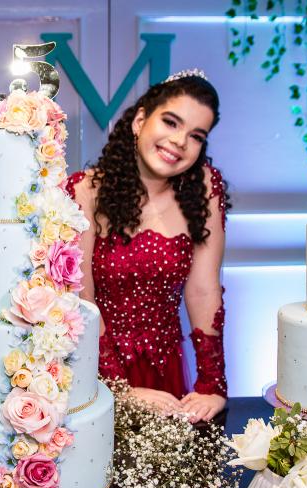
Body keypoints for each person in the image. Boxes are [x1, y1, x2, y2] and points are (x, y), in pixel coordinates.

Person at [69, 70, 229, 423]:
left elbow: (203, 290)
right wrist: (117, 388)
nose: (180, 141)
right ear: (140, 121)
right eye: (171, 122)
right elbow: (80, 299)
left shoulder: (204, 189)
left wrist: (212, 384)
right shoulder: (84, 191)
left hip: (166, 368)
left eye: (196, 136)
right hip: (93, 369)